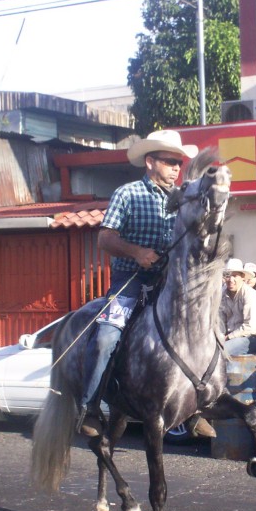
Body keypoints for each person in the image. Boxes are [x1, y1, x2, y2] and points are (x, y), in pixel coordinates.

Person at [78, 129, 216, 439]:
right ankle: (89, 407)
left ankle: (195, 408)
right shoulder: (126, 194)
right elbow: (105, 237)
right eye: (170, 162)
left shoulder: (181, 198)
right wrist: (137, 252)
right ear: (150, 161)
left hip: (171, 282)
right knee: (106, 338)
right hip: (130, 280)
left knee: (204, 332)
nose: (176, 169)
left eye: (179, 163)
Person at [219, 258, 256, 356]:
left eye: (235, 276)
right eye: (228, 276)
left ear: (242, 277)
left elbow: (249, 327)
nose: (231, 280)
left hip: (251, 338)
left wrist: (228, 337)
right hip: (231, 337)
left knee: (221, 350)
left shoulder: (250, 295)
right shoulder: (222, 294)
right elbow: (221, 321)